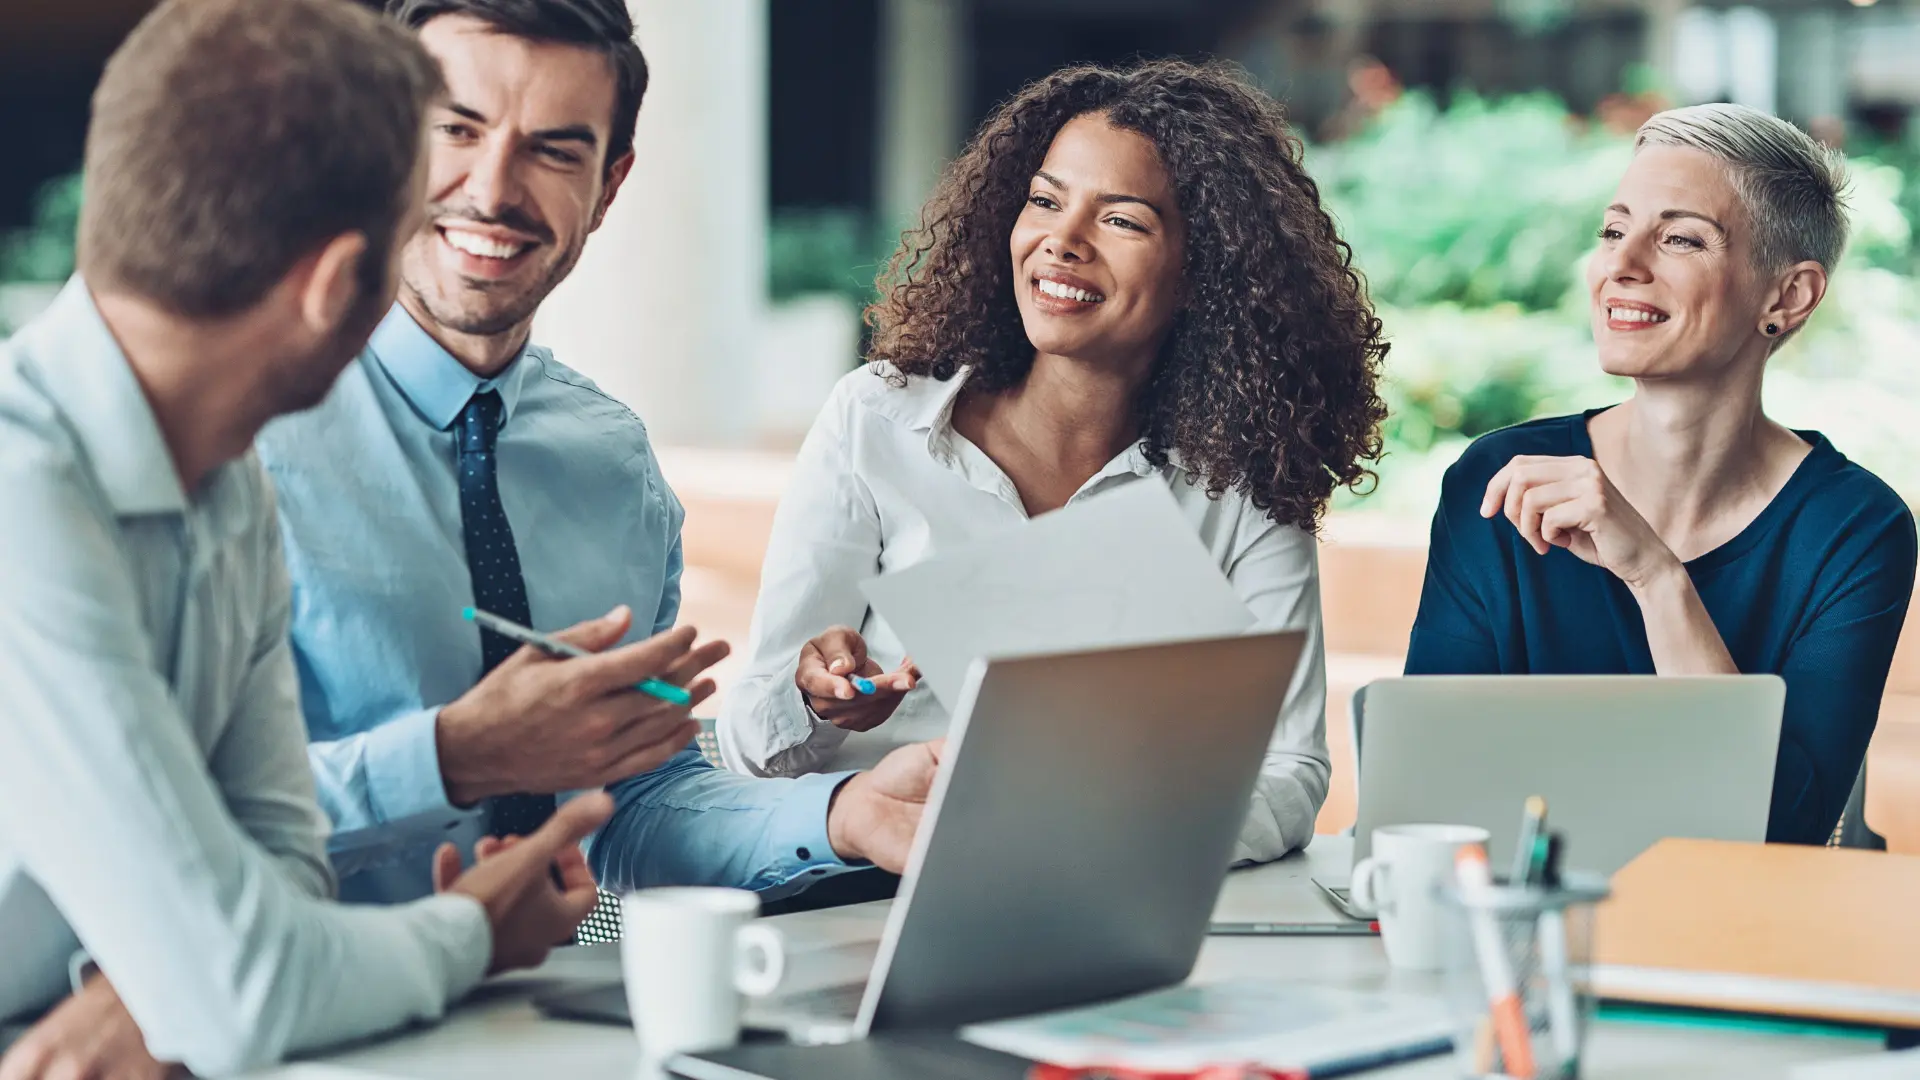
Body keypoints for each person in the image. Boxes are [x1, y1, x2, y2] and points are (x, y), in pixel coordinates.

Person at [0, 1, 620, 1075]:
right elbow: (241, 986)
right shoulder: (20, 493)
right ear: (340, 283)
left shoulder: (230, 484)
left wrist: (202, 980)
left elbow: (280, 880)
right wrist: (463, 934)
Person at [253, 0, 940, 941]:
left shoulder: (611, 462)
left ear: (608, 186)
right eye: (456, 129)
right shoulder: (241, 434)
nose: (494, 189)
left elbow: (638, 800)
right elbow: (157, 820)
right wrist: (457, 758)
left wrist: (840, 814)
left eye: (554, 150)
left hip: (551, 1020)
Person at [718, 59, 1391, 864]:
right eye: (1044, 201)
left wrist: (1127, 840)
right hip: (865, 890)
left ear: (1203, 273)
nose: (1061, 242)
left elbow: (1288, 768)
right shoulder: (879, 420)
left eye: (1123, 221)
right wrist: (816, 701)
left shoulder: (1241, 482)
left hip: (1109, 896)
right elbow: (751, 747)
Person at [1404, 103, 1917, 846]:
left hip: (1736, 941)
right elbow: (1426, 786)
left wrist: (1655, 575)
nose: (1621, 264)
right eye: (1614, 230)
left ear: (1788, 296)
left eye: (1680, 238)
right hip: (1522, 927)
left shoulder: (1855, 529)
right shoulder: (1498, 480)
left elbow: (1783, 830)